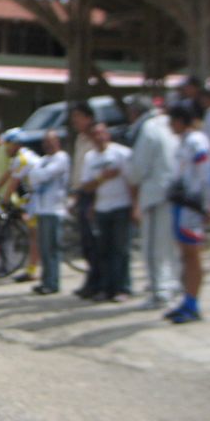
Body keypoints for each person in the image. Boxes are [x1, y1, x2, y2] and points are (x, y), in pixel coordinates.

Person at [126, 95, 180, 308]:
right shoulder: (166, 123)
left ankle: (159, 292)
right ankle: (173, 284)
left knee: (152, 247)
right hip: (173, 191)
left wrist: (132, 180)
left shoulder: (148, 129)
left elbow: (138, 168)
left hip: (155, 194)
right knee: (169, 245)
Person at [165, 104, 210, 324]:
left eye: (172, 121)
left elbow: (205, 174)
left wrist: (206, 204)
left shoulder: (196, 141)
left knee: (192, 254)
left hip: (192, 205)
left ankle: (193, 304)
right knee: (184, 254)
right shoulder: (183, 141)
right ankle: (186, 300)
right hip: (181, 203)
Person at [80, 123, 132, 302]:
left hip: (121, 204)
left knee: (121, 249)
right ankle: (105, 288)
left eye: (101, 133)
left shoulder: (121, 153)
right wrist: (102, 177)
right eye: (95, 134)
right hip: (102, 207)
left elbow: (131, 181)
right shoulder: (90, 158)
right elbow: (86, 186)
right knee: (103, 250)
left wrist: (135, 206)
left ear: (107, 134)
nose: (99, 137)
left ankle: (122, 288)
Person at [24, 129, 71, 295]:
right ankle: (45, 281)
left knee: (52, 248)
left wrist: (38, 175)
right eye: (45, 141)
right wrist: (38, 175)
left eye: (51, 141)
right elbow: (31, 177)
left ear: (57, 142)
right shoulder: (44, 159)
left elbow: (44, 175)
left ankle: (52, 283)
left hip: (55, 209)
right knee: (44, 248)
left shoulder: (62, 157)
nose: (48, 144)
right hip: (41, 209)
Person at [0, 128, 41, 283]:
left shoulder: (22, 159)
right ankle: (33, 266)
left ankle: (32, 271)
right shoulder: (19, 157)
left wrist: (3, 203)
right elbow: (7, 175)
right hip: (33, 196)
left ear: (15, 144)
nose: (5, 149)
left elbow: (13, 184)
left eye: (7, 145)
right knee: (33, 233)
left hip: (39, 198)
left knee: (34, 235)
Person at [68, 102, 100, 298]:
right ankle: (91, 280)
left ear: (88, 118)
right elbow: (77, 169)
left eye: (78, 117)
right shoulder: (80, 140)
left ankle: (98, 282)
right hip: (81, 193)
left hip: (94, 193)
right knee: (86, 242)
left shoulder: (96, 138)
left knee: (95, 242)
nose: (75, 122)